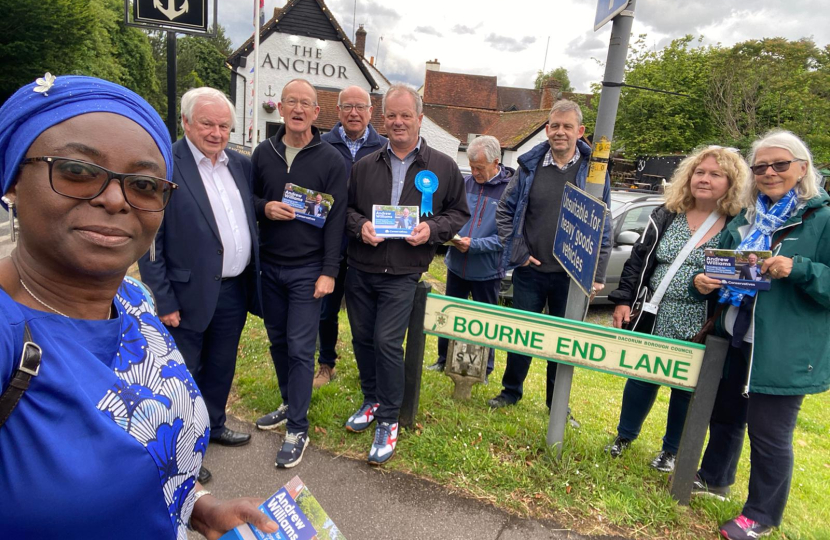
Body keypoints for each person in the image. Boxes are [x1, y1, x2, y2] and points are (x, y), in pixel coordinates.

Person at [0, 75, 279, 539]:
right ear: (11, 181)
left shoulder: (132, 303)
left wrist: (197, 506)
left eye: (144, 184)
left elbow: (148, 445)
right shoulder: (11, 337)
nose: (114, 198)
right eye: (76, 171)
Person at [690, 130, 830, 540]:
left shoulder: (821, 219)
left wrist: (799, 269)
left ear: (803, 169)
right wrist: (704, 280)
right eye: (761, 166)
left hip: (782, 349)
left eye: (780, 164)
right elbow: (723, 267)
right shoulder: (747, 218)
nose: (769, 172)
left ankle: (761, 515)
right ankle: (714, 478)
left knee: (769, 436)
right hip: (736, 335)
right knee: (725, 417)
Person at [138, 87, 260, 485]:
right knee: (183, 374)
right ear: (186, 122)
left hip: (233, 289)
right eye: (207, 123)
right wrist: (163, 299)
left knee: (222, 366)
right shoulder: (165, 165)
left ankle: (214, 425)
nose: (217, 132)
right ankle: (180, 449)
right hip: (184, 295)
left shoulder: (239, 165)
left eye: (224, 125)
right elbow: (149, 241)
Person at [344, 84, 470, 465]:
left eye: (405, 115)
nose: (398, 122)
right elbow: (346, 211)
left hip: (403, 272)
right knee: (363, 339)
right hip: (362, 268)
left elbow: (458, 213)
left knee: (386, 342)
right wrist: (360, 226)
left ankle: (388, 418)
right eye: (391, 116)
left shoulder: (444, 166)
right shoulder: (365, 165)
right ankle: (371, 398)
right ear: (384, 119)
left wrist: (433, 231)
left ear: (419, 118)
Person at [606, 146, 748, 473]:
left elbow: (746, 277)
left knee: (685, 388)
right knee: (641, 376)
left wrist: (715, 286)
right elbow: (638, 260)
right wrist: (624, 299)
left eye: (715, 174)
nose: (705, 179)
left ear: (732, 182)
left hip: (701, 321)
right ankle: (623, 437)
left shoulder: (737, 225)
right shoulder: (668, 212)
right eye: (700, 172)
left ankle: (671, 452)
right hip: (655, 312)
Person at [488, 99, 613, 414]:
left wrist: (596, 274)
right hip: (531, 271)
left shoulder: (595, 172)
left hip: (571, 277)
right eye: (554, 126)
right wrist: (518, 252)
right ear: (546, 130)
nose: (560, 132)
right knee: (522, 337)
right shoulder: (529, 168)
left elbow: (604, 225)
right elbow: (505, 210)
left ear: (580, 131)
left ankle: (556, 405)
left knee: (563, 344)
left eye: (567, 127)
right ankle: (510, 392)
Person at [251, 79, 347, 469]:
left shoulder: (331, 160)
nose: (298, 109)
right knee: (277, 341)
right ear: (281, 107)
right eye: (291, 101)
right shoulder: (263, 152)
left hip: (308, 269)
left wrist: (329, 272)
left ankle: (297, 428)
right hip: (269, 266)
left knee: (301, 347)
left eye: (306, 103)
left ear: (316, 112)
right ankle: (289, 402)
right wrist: (264, 208)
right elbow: (249, 199)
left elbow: (337, 221)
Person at [316, 86, 387, 389]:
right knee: (325, 310)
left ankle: (367, 370)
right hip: (330, 243)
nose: (354, 113)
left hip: (368, 244)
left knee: (365, 315)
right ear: (338, 110)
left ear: (372, 112)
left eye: (361, 107)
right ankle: (326, 364)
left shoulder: (385, 147)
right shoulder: (321, 145)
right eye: (348, 107)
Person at [427, 135, 514, 378]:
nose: (474, 172)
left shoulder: (510, 192)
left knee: (485, 322)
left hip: (487, 270)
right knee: (449, 315)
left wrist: (475, 245)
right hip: (456, 265)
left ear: (496, 162)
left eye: (479, 168)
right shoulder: (464, 185)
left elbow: (507, 237)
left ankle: (483, 369)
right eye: (472, 167)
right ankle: (443, 359)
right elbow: (451, 215)